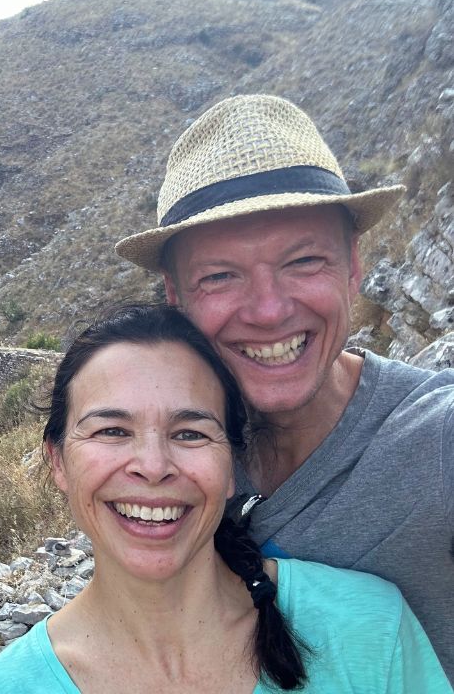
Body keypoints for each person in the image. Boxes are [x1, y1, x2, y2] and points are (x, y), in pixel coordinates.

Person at [114, 94, 454, 677]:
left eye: (303, 262)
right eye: (221, 275)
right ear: (176, 296)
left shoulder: (437, 437)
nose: (269, 312)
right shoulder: (165, 456)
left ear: (353, 267)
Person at [0, 305, 450, 693]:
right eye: (112, 430)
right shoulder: (9, 686)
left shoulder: (370, 629)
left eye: (189, 432)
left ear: (231, 468)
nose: (153, 465)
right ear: (57, 461)